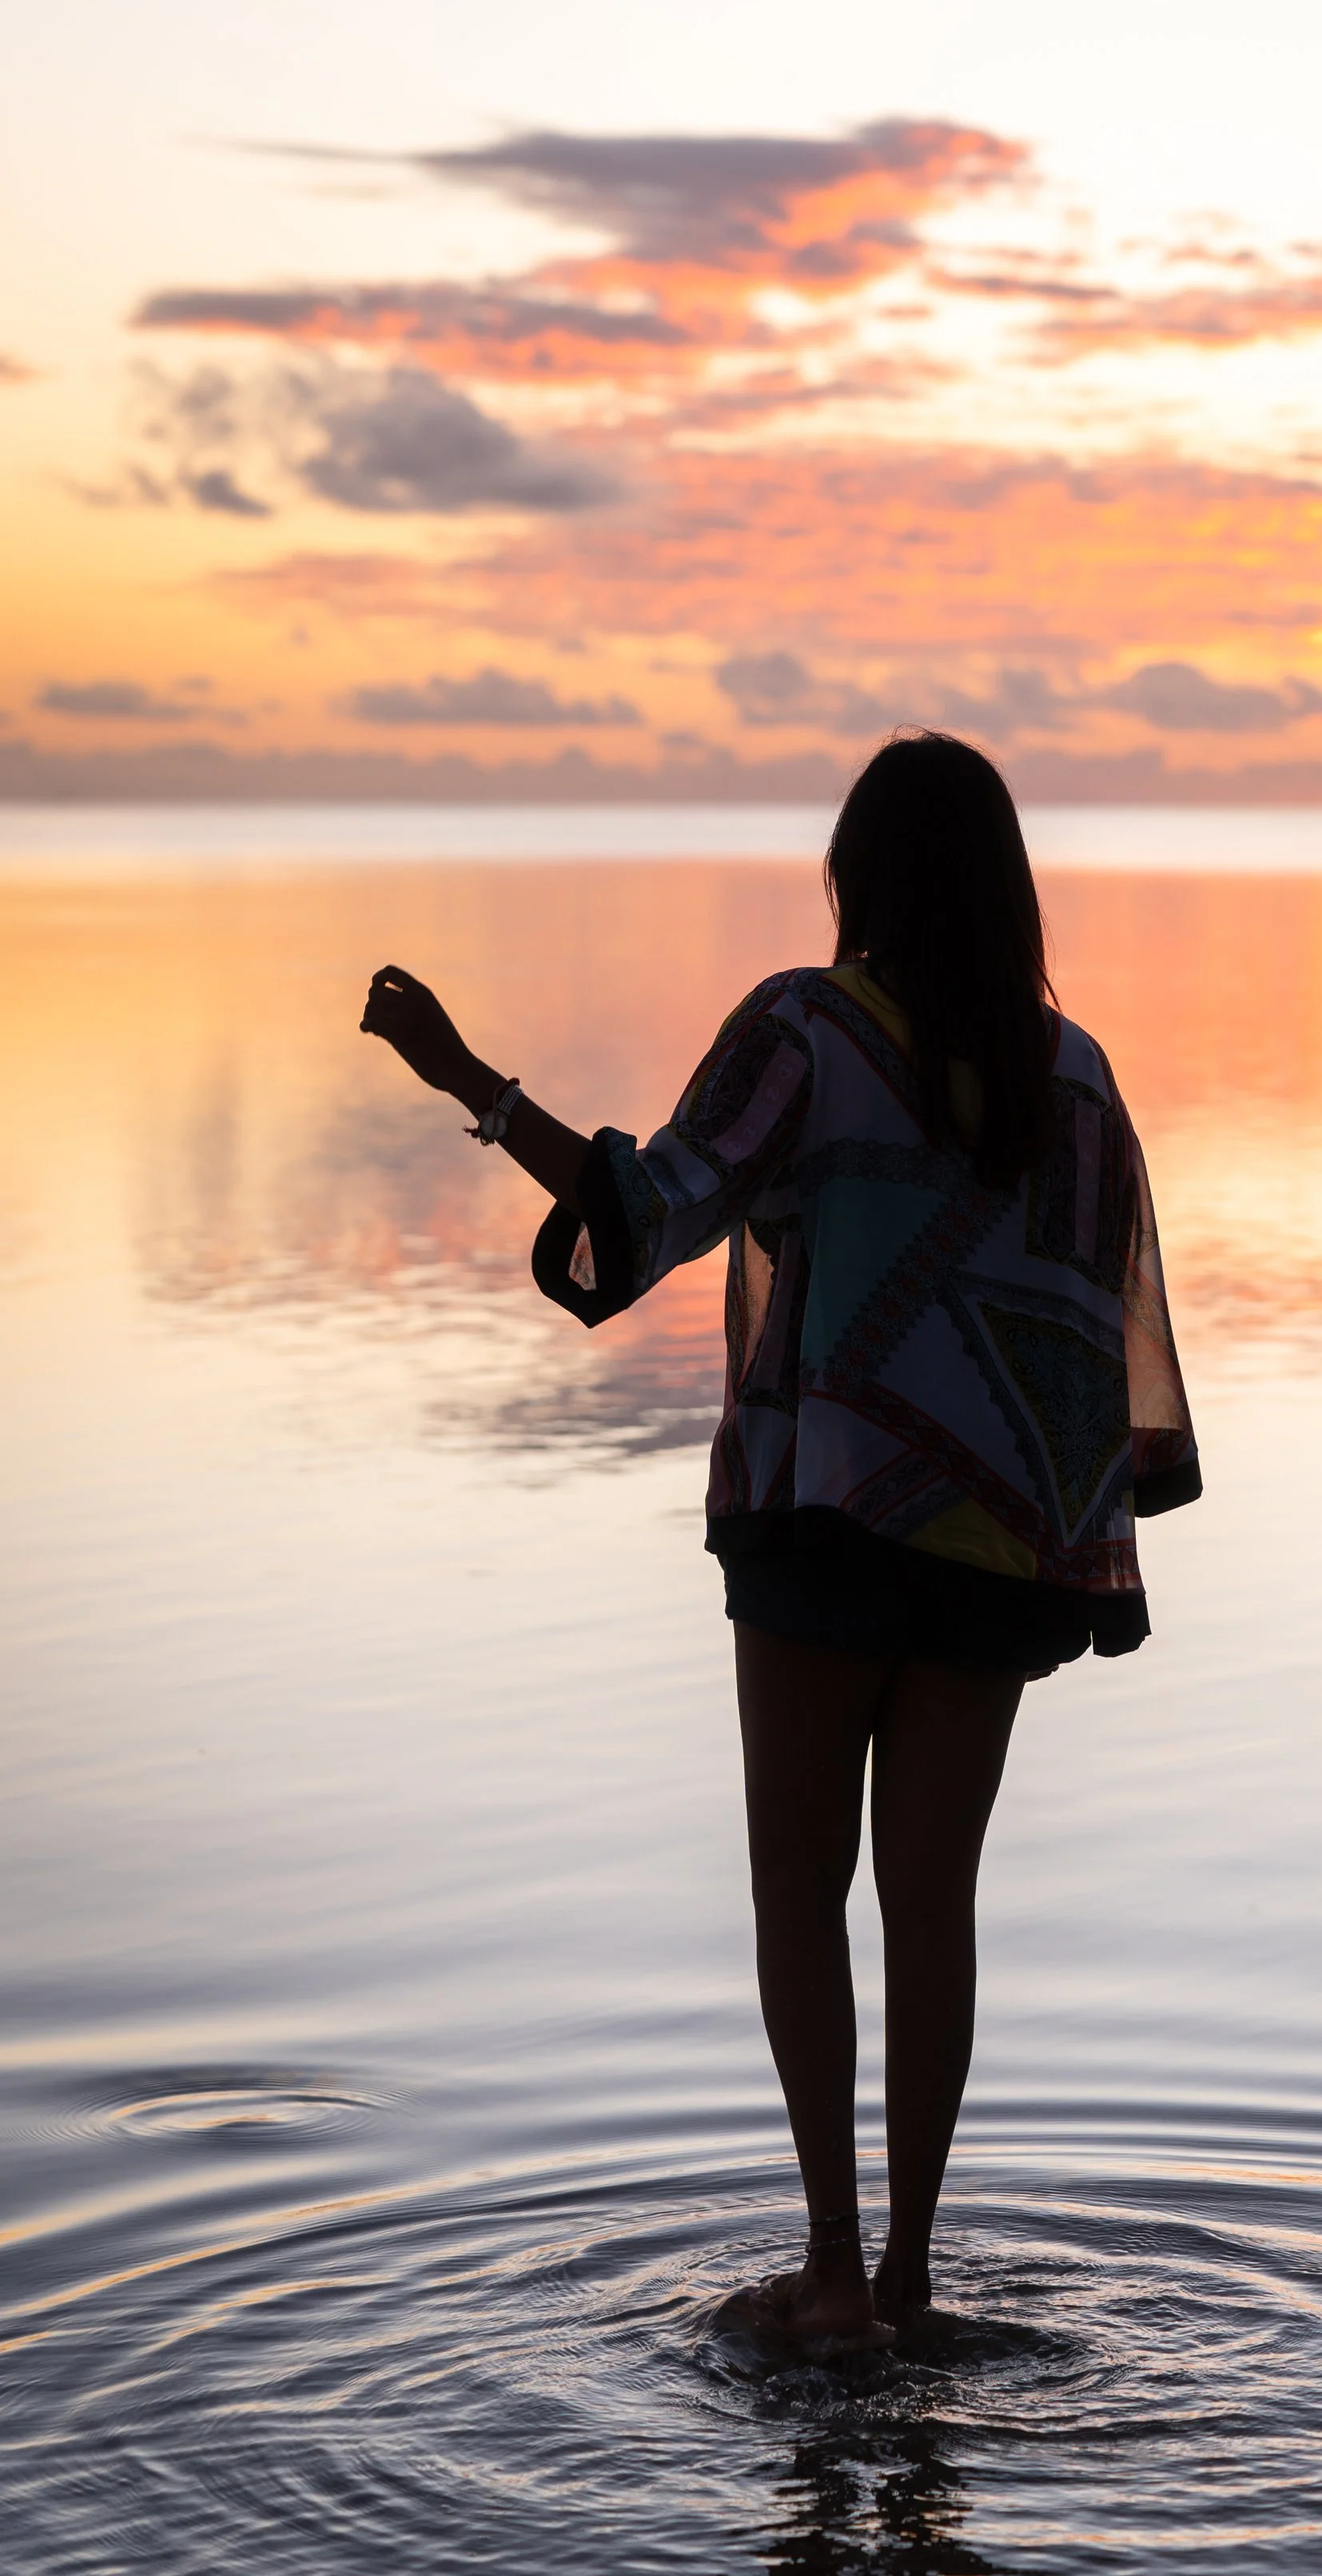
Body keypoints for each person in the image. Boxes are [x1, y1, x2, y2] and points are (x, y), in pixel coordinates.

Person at [360, 731, 1200, 2350]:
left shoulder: (808, 1031)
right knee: (929, 1905)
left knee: (797, 1887)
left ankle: (829, 2272)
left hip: (823, 1522)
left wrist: (471, 1086)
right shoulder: (1074, 1080)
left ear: (855, 878)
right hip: (990, 1548)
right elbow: (1099, 1339)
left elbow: (647, 1210)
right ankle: (909, 2280)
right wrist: (1077, 1545)